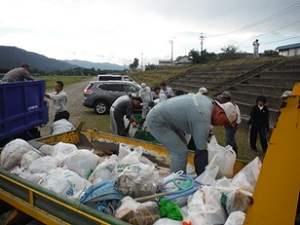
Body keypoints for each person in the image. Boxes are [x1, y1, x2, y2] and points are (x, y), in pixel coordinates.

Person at [146, 93, 238, 176]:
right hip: (157, 121)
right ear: (221, 112)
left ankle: (179, 176)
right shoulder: (202, 114)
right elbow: (201, 151)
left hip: (164, 118)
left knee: (182, 148)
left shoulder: (207, 102)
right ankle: (175, 183)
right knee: (179, 152)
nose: (221, 125)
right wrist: (203, 179)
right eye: (224, 122)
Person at [218, 91, 241, 155]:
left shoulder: (234, 106)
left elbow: (237, 115)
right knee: (228, 138)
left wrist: (234, 123)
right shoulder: (226, 105)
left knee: (230, 139)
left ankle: (234, 151)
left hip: (232, 125)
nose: (222, 100)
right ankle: (228, 151)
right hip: (228, 125)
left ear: (227, 99)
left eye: (223, 98)